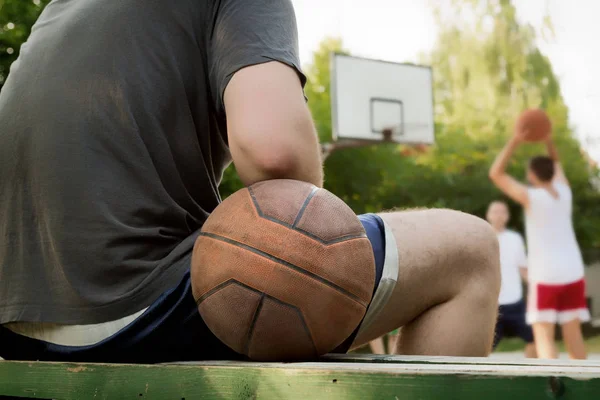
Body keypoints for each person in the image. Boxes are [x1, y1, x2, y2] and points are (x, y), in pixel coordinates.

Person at [0, 0, 500, 362]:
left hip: (14, 322)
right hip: (136, 308)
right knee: (471, 250)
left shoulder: (61, 10)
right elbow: (276, 154)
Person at [489, 132, 589, 359]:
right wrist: (549, 140)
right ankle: (587, 387)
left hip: (546, 275)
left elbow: (495, 173)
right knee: (574, 335)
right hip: (573, 272)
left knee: (543, 336)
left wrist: (514, 139)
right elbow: (557, 163)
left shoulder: (531, 197)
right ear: (554, 173)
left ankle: (552, 386)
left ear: (533, 175)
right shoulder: (564, 192)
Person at [486, 201, 536, 358]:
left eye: (502, 211)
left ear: (507, 216)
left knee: (536, 338)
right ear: (488, 215)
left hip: (515, 303)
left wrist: (536, 290)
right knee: (483, 347)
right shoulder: (483, 238)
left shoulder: (515, 239)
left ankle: (530, 374)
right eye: (495, 211)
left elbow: (523, 269)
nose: (499, 215)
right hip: (491, 305)